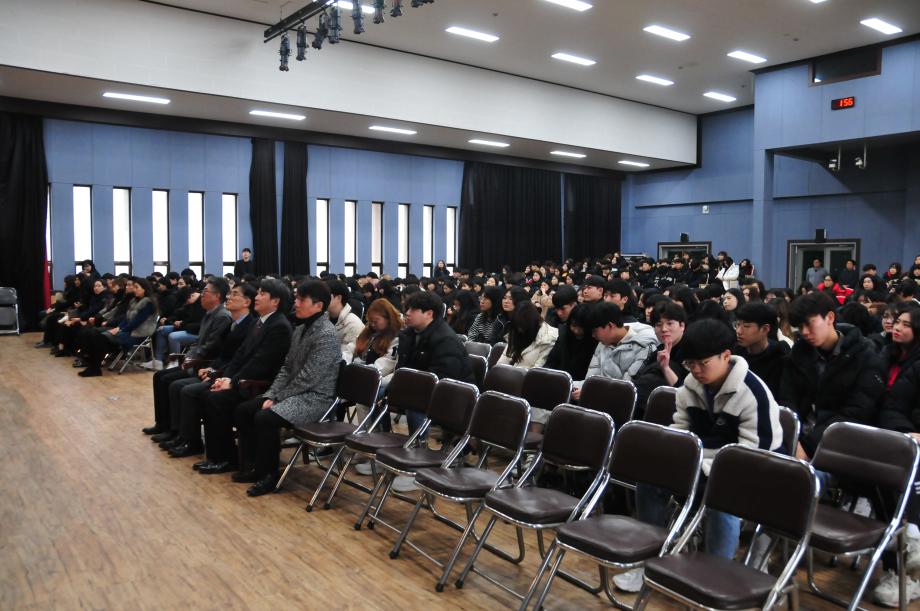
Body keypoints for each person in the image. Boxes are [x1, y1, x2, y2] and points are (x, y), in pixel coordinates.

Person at [613, 319, 784, 593]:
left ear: (725, 356)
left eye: (702, 363)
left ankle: (717, 574)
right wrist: (671, 455)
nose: (695, 370)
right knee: (650, 478)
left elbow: (754, 456)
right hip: (704, 465)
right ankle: (648, 557)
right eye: (690, 364)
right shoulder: (690, 387)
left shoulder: (753, 394)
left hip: (751, 473)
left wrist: (702, 467)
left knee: (721, 497)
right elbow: (681, 431)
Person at [233, 281, 342, 496]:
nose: (296, 303)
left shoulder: (326, 335)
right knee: (245, 409)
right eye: (297, 298)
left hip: (316, 399)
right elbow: (287, 368)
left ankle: (269, 475)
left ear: (318, 306)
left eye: (302, 300)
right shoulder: (300, 329)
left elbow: (309, 378)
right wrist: (272, 393)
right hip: (296, 393)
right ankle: (253, 466)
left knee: (265, 418)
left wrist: (277, 398)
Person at [190, 280, 293, 469]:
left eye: (262, 294)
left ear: (275, 301)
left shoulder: (279, 326)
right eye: (258, 293)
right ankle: (216, 456)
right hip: (243, 380)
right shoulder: (260, 322)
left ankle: (225, 458)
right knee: (208, 395)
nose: (256, 297)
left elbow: (260, 363)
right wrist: (225, 378)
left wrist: (233, 382)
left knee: (214, 399)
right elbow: (240, 356)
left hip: (259, 385)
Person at [781, 291, 885, 459]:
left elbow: (855, 413)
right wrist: (792, 438)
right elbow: (787, 398)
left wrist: (807, 447)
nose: (805, 332)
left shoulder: (865, 357)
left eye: (809, 324)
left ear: (830, 317)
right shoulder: (799, 353)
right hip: (795, 440)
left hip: (839, 447)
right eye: (800, 327)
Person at [153, 283, 257, 450]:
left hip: (226, 375)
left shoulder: (243, 323)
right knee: (163, 378)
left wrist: (214, 371)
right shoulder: (230, 322)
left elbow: (229, 355)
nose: (229, 297)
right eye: (230, 293)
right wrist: (208, 366)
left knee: (183, 388)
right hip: (213, 368)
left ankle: (189, 439)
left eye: (234, 294)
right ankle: (172, 430)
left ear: (247, 302)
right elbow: (219, 352)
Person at [143, 277, 232, 437]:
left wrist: (190, 360)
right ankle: (162, 424)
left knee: (168, 381)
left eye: (205, 292)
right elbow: (198, 342)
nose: (201, 295)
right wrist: (188, 356)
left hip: (204, 365)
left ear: (217, 296)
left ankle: (174, 430)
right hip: (195, 361)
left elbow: (211, 346)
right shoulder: (210, 314)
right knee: (159, 376)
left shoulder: (222, 316)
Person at [573, 302, 658, 400]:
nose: (593, 336)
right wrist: (578, 388)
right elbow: (591, 379)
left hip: (620, 402)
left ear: (610, 325)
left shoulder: (643, 347)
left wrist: (591, 392)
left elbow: (626, 388)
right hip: (596, 398)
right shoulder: (603, 342)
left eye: (595, 331)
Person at [77, 277, 159, 377]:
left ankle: (94, 368)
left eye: (137, 287)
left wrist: (121, 329)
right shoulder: (134, 301)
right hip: (128, 331)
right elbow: (126, 319)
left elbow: (136, 322)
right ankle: (92, 366)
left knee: (98, 338)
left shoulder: (148, 303)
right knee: (93, 335)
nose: (134, 289)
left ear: (145, 289)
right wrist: (119, 328)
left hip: (138, 335)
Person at [631, 302, 690, 418]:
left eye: (670, 323)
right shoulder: (658, 351)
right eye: (658, 324)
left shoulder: (693, 352)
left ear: (682, 325)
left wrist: (666, 368)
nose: (664, 329)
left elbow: (688, 393)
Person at [733, 302, 789, 397]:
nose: (738, 331)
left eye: (746, 326)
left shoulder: (780, 356)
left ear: (765, 329)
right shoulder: (736, 353)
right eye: (737, 325)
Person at [497, 301, 558, 372]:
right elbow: (501, 364)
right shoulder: (516, 332)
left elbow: (536, 372)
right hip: (509, 376)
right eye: (517, 326)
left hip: (526, 377)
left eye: (522, 326)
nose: (520, 330)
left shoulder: (548, 339)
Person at [544, 303, 597, 382]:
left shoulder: (594, 341)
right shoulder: (564, 336)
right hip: (558, 379)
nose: (576, 331)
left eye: (581, 328)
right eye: (574, 326)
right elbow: (551, 361)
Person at [326, 280, 364, 360]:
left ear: (338, 298)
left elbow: (346, 357)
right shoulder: (323, 318)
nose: (321, 299)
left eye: (326, 295)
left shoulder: (353, 324)